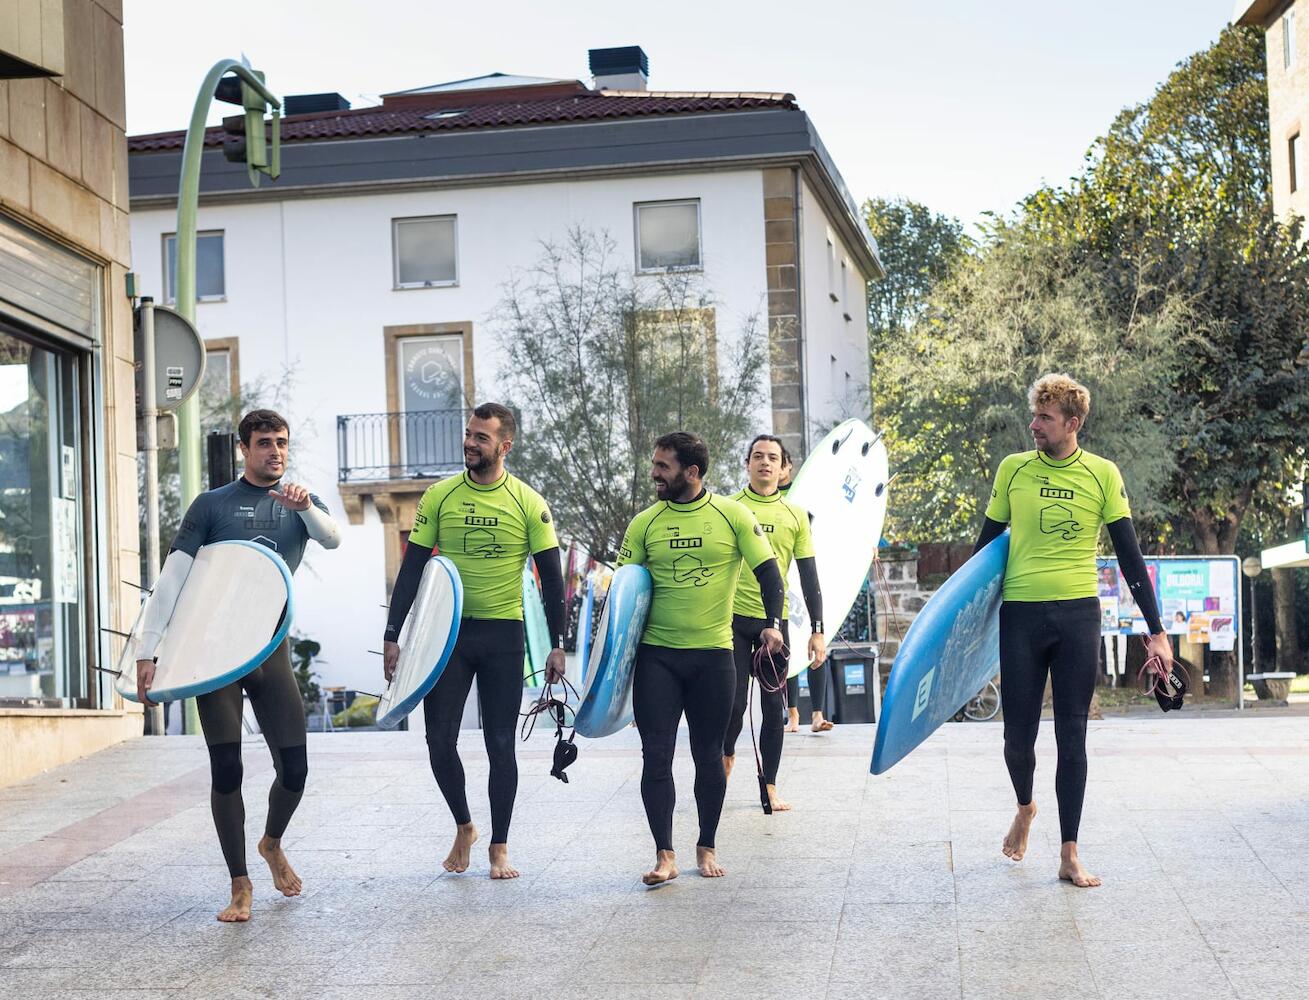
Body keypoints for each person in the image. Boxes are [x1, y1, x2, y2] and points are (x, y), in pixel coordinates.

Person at [135, 409, 342, 922]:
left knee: (295, 769)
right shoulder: (212, 506)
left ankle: (271, 843)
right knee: (227, 767)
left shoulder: (299, 503)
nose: (276, 451)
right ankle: (240, 883)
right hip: (216, 652)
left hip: (270, 650)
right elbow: (173, 579)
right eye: (265, 443)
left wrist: (307, 508)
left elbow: (333, 538)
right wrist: (148, 649)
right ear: (245, 450)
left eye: (282, 443)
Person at [974, 374, 1172, 888]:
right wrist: (962, 626)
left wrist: (1157, 631)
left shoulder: (1103, 474)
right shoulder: (1013, 470)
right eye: (1034, 415)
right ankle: (1025, 806)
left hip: (1078, 616)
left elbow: (1130, 556)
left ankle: (1068, 853)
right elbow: (983, 548)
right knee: (1017, 738)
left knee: (1072, 736)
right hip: (1020, 613)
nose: (1034, 425)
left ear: (1073, 423)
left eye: (1045, 418)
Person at [383, 403, 566, 880]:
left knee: (500, 743)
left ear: (504, 446)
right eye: (468, 434)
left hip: (503, 634)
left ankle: (499, 847)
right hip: (446, 635)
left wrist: (557, 644)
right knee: (437, 740)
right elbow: (413, 567)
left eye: (480, 437)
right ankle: (465, 825)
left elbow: (552, 577)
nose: (469, 443)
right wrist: (392, 636)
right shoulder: (439, 497)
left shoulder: (530, 503)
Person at [617, 431, 783, 883]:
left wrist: (773, 623)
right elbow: (623, 599)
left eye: (663, 466)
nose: (654, 473)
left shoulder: (732, 516)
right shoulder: (644, 524)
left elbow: (770, 575)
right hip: (658, 658)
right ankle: (664, 855)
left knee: (709, 755)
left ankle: (706, 845)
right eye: (654, 464)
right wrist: (615, 675)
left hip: (713, 656)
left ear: (691, 472)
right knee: (656, 756)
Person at [722, 434, 826, 812]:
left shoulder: (795, 515)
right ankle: (727, 755)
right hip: (730, 620)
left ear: (785, 469)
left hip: (773, 624)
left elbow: (809, 577)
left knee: (772, 709)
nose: (765, 463)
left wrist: (817, 630)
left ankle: (769, 786)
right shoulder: (728, 508)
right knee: (732, 706)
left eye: (773, 458)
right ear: (747, 463)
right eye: (757, 456)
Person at [778, 454, 833, 734]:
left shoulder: (806, 494)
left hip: (809, 570)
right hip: (782, 576)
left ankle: (817, 714)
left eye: (780, 462)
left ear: (788, 467)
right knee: (788, 647)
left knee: (817, 645)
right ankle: (793, 714)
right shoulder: (765, 497)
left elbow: (830, 525)